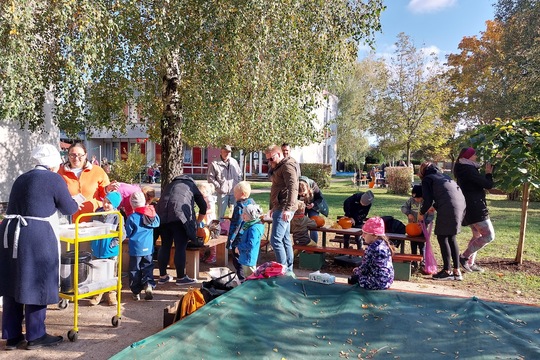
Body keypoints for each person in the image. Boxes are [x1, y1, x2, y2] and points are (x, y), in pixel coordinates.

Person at [1, 144, 78, 350]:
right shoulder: (53, 179)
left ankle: (12, 336)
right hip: (34, 233)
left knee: (14, 282)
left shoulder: (21, 178)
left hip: (10, 231)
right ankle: (36, 335)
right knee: (36, 280)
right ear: (54, 165)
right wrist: (77, 200)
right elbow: (69, 207)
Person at [418, 161, 466, 281]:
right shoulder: (444, 176)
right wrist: (436, 206)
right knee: (451, 237)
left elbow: (427, 200)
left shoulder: (428, 179)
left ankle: (447, 271)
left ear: (423, 171)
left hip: (448, 207)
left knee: (442, 236)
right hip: (461, 205)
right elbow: (447, 194)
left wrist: (421, 213)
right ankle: (456, 271)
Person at [155, 175, 206, 286]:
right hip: (180, 218)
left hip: (162, 217)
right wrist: (198, 222)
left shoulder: (170, 185)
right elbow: (203, 206)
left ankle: (162, 276)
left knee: (165, 245)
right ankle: (181, 277)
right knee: (180, 247)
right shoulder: (191, 185)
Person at [454, 147, 495, 273]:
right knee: (489, 236)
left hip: (469, 207)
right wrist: (488, 173)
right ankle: (464, 257)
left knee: (476, 235)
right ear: (468, 156)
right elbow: (488, 185)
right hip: (476, 208)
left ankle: (470, 264)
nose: (476, 156)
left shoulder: (464, 168)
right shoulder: (468, 170)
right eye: (474, 154)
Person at [58, 142, 116, 222]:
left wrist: (107, 189)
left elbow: (108, 197)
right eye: (72, 155)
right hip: (69, 221)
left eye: (79, 155)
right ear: (68, 156)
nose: (76, 158)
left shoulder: (97, 171)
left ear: (85, 155)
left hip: (94, 220)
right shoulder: (59, 172)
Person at [265, 144, 299, 272]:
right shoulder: (279, 166)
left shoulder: (287, 166)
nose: (269, 162)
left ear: (279, 154)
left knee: (275, 240)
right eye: (267, 159)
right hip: (280, 206)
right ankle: (288, 269)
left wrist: (288, 208)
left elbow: (293, 187)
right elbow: (279, 187)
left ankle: (282, 270)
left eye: (271, 158)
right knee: (284, 239)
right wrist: (275, 206)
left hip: (285, 206)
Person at [89, 191, 125, 306]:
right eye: (104, 201)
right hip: (97, 248)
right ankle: (98, 293)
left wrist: (112, 244)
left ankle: (111, 293)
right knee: (97, 271)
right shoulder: (97, 213)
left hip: (110, 249)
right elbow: (92, 227)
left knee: (111, 272)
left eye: (109, 203)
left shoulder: (118, 216)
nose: (105, 204)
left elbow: (122, 234)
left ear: (114, 205)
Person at [125, 192, 160, 301]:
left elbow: (128, 232)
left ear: (132, 204)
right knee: (148, 267)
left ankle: (136, 292)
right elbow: (157, 223)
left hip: (135, 248)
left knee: (135, 269)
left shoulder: (132, 217)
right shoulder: (152, 215)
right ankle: (148, 284)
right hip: (148, 247)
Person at [348, 217, 395, 290]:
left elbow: (364, 268)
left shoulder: (372, 249)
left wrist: (356, 271)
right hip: (388, 281)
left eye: (365, 233)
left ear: (375, 235)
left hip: (377, 282)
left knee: (352, 279)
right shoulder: (384, 244)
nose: (362, 235)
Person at [227, 181, 256, 281]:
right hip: (247, 235)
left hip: (238, 238)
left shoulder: (239, 207)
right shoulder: (252, 203)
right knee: (245, 260)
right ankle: (246, 278)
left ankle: (242, 279)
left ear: (242, 194)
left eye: (236, 193)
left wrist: (231, 240)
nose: (234, 195)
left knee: (237, 261)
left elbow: (236, 225)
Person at [207, 145, 242, 219]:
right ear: (221, 151)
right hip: (222, 194)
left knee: (235, 214)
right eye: (225, 151)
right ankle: (219, 230)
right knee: (220, 216)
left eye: (229, 152)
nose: (227, 153)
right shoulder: (215, 163)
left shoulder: (234, 162)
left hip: (234, 193)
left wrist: (237, 185)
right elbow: (210, 178)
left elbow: (239, 174)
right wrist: (219, 187)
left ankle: (233, 229)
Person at [401, 185, 435, 257]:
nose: (416, 199)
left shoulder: (428, 202)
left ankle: (423, 260)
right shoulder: (411, 200)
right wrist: (408, 213)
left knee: (421, 245)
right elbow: (403, 207)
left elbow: (431, 215)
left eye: (418, 198)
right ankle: (414, 260)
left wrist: (425, 222)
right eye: (414, 198)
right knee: (413, 244)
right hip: (412, 227)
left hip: (423, 228)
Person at [233, 204, 265, 279]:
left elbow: (251, 244)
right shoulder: (250, 225)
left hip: (248, 257)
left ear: (251, 216)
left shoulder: (253, 228)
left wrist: (239, 248)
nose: (242, 215)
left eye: (245, 214)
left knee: (251, 277)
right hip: (247, 256)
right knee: (249, 276)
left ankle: (253, 290)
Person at [298, 176, 328, 243]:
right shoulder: (295, 186)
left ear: (307, 188)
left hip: (313, 207)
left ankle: (314, 246)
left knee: (313, 225)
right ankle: (303, 244)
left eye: (304, 194)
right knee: (301, 226)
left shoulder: (313, 185)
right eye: (301, 195)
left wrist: (313, 204)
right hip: (301, 207)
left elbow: (320, 198)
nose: (302, 195)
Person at [197, 182, 218, 264]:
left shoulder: (209, 199)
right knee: (202, 236)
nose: (201, 195)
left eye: (202, 193)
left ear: (206, 192)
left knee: (211, 238)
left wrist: (203, 212)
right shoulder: (204, 198)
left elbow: (212, 210)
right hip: (205, 220)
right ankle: (202, 253)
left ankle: (213, 255)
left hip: (210, 220)